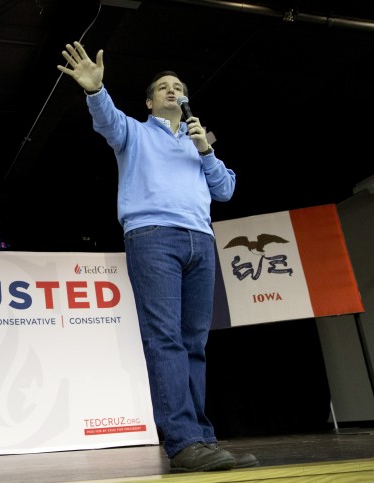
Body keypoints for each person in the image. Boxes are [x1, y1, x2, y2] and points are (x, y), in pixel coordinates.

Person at [57, 41, 259, 473]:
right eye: (163, 87)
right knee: (165, 338)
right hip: (153, 237)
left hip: (200, 241)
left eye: (178, 86)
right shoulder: (134, 132)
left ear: (185, 99)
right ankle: (184, 442)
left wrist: (206, 148)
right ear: (150, 102)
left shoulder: (199, 143)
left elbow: (225, 191)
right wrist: (96, 90)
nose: (172, 89)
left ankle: (203, 439)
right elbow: (107, 121)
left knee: (194, 344)